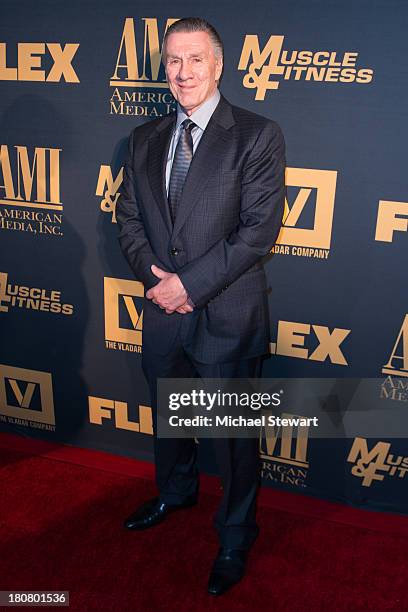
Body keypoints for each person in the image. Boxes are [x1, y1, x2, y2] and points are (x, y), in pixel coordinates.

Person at [115, 17, 286, 596]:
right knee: (170, 420)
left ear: (218, 65)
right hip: (162, 314)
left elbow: (258, 232)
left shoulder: (257, 135)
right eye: (172, 61)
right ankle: (175, 492)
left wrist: (188, 285)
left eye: (193, 60)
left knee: (233, 440)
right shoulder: (143, 138)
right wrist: (156, 280)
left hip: (226, 314)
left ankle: (236, 535)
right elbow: (129, 220)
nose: (182, 72)